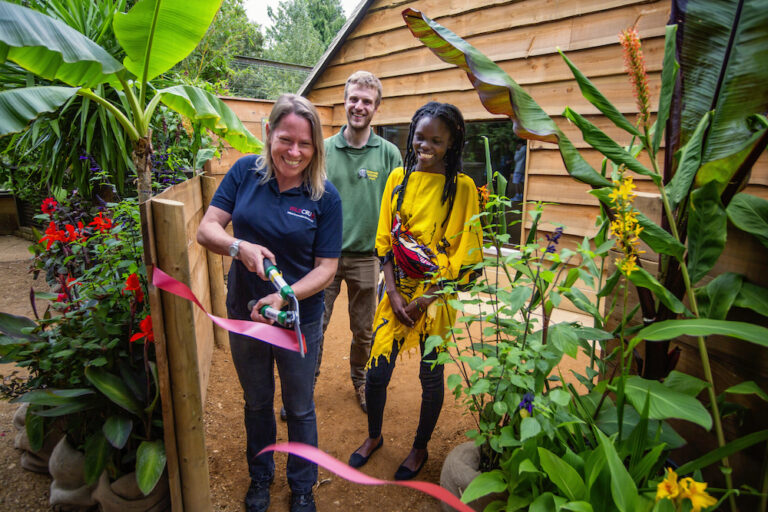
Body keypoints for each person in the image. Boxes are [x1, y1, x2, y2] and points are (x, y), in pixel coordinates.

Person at [197, 94, 342, 512]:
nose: (294, 152)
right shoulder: (245, 173)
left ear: (315, 147)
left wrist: (286, 293)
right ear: (269, 134)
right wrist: (238, 245)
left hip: (299, 320)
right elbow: (208, 230)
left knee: (299, 408)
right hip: (246, 313)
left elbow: (326, 268)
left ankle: (302, 487)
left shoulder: (325, 197)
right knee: (257, 402)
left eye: (305, 144)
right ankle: (260, 477)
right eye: (286, 139)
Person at [347, 102, 483, 480]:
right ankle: (374, 436)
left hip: (436, 298)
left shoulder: (462, 189)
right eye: (419, 137)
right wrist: (391, 292)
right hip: (396, 292)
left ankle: (420, 447)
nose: (425, 146)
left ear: (451, 142)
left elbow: (465, 252)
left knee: (430, 376)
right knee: (376, 373)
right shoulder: (397, 179)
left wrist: (425, 299)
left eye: (436, 140)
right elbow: (385, 240)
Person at [318, 71, 403, 412]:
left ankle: (361, 381)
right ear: (344, 101)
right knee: (314, 325)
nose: (359, 106)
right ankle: (304, 384)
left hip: (368, 257)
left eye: (366, 101)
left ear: (376, 107)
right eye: (354, 99)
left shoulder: (388, 155)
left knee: (364, 329)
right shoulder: (323, 150)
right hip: (324, 256)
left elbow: (398, 208)